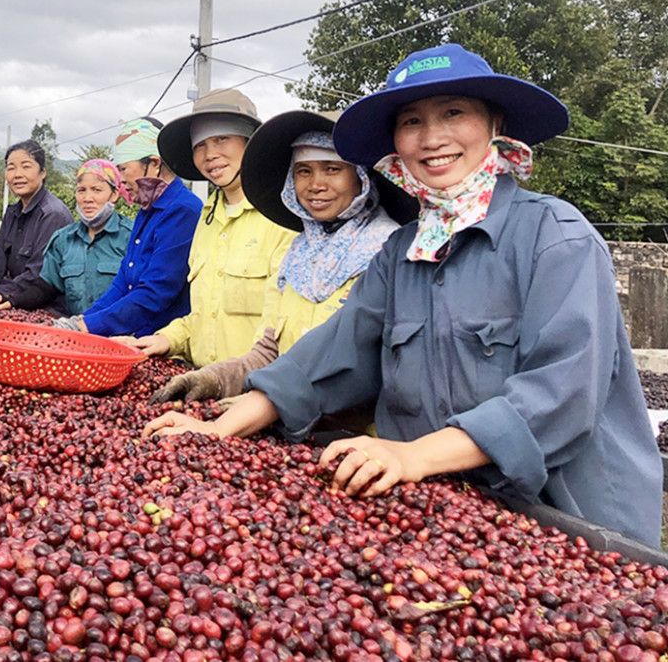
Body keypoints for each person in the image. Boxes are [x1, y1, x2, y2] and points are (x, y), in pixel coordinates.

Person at [143, 43, 662, 546]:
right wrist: (218, 428)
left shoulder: (556, 236)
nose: (432, 137)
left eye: (454, 112)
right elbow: (338, 351)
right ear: (396, 141)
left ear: (494, 126)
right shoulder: (402, 251)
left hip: (569, 524)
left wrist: (412, 456)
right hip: (446, 513)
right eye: (412, 121)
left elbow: (562, 393)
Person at [150, 110, 415, 402]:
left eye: (332, 169)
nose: (316, 184)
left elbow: (378, 372)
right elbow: (269, 352)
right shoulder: (299, 254)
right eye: (304, 171)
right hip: (288, 424)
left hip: (358, 438)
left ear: (361, 177)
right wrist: (215, 379)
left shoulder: (390, 252)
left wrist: (271, 402)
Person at [128, 89, 295, 366]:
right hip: (202, 389)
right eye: (199, 145)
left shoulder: (282, 218)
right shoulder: (207, 218)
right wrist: (168, 338)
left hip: (253, 394)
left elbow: (284, 328)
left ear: (250, 142)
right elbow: (205, 315)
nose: (210, 155)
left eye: (221, 139)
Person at [57, 117, 202, 336]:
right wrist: (84, 320)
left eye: (124, 169)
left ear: (154, 163)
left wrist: (90, 326)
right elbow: (123, 281)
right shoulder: (147, 211)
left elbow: (155, 293)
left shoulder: (183, 211)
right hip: (134, 337)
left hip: (163, 341)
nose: (120, 179)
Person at [0, 159, 134, 315]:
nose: (87, 198)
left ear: (114, 195)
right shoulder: (63, 239)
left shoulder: (131, 237)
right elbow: (45, 288)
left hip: (120, 335)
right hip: (75, 333)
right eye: (81, 190)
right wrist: (13, 300)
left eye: (97, 190)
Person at [0, 139, 73, 307]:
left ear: (43, 172)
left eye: (26, 166)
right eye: (11, 168)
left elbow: (36, 276)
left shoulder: (53, 214)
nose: (17, 174)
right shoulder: (12, 212)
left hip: (45, 307)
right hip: (13, 298)